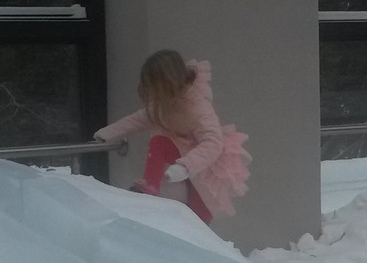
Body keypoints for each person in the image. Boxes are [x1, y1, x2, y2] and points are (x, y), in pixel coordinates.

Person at [94, 50, 251, 223]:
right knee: (160, 143)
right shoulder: (163, 105)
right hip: (184, 165)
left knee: (198, 223)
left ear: (166, 83)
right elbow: (137, 120)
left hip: (204, 169)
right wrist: (106, 134)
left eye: (154, 87)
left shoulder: (198, 106)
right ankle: (149, 187)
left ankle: (153, 191)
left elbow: (213, 143)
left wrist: (185, 166)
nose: (152, 94)